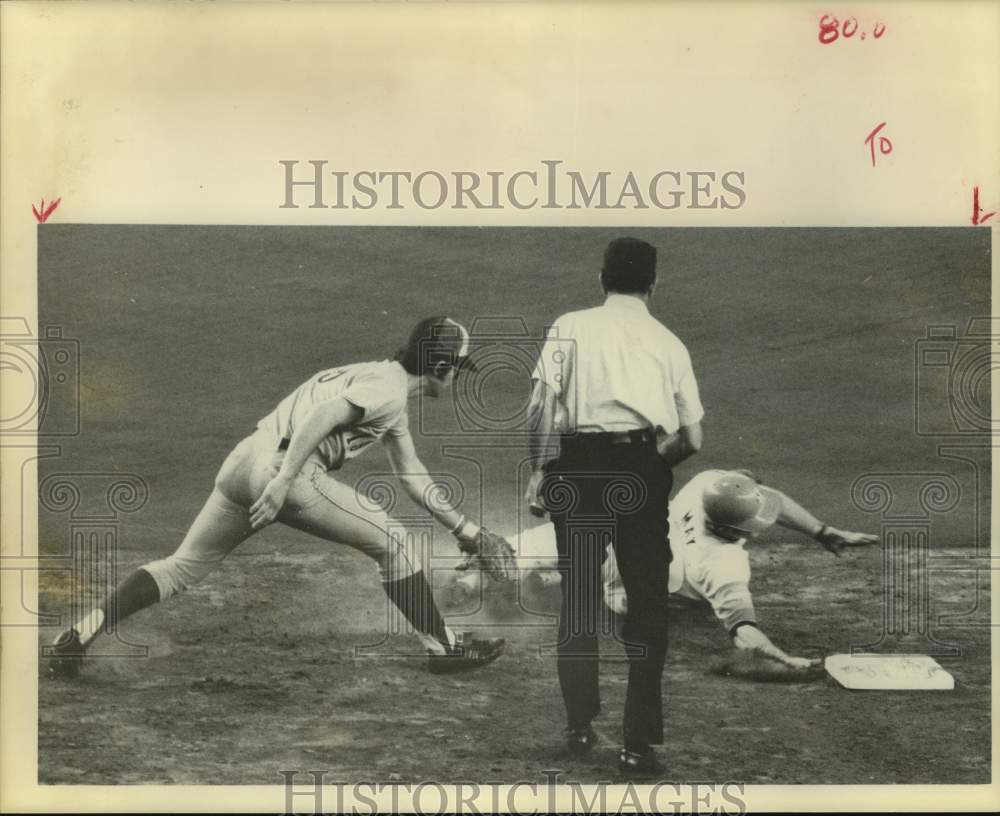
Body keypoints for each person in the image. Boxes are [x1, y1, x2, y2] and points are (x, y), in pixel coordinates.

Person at [47, 317, 510, 679]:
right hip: (285, 472)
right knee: (397, 544)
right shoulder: (386, 391)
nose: (456, 377)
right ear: (442, 367)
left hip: (243, 460)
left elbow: (412, 473)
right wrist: (283, 482)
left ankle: (79, 634)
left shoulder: (379, 382)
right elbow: (324, 416)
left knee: (184, 564)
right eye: (457, 368)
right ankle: (444, 648)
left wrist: (465, 530)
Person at [525, 237, 704, 777]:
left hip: (577, 469)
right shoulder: (669, 342)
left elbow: (540, 407)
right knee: (648, 605)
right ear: (654, 284)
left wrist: (539, 471)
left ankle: (579, 724)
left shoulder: (569, 325)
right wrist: (651, 466)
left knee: (578, 599)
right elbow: (692, 437)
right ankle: (636, 746)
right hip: (639, 470)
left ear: (601, 279)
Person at [470, 468, 878, 669]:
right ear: (735, 528)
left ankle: (491, 572)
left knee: (593, 528)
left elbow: (757, 492)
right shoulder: (723, 564)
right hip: (628, 595)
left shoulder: (707, 485)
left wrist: (821, 530)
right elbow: (744, 632)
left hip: (616, 540)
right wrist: (781, 657)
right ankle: (555, 585)